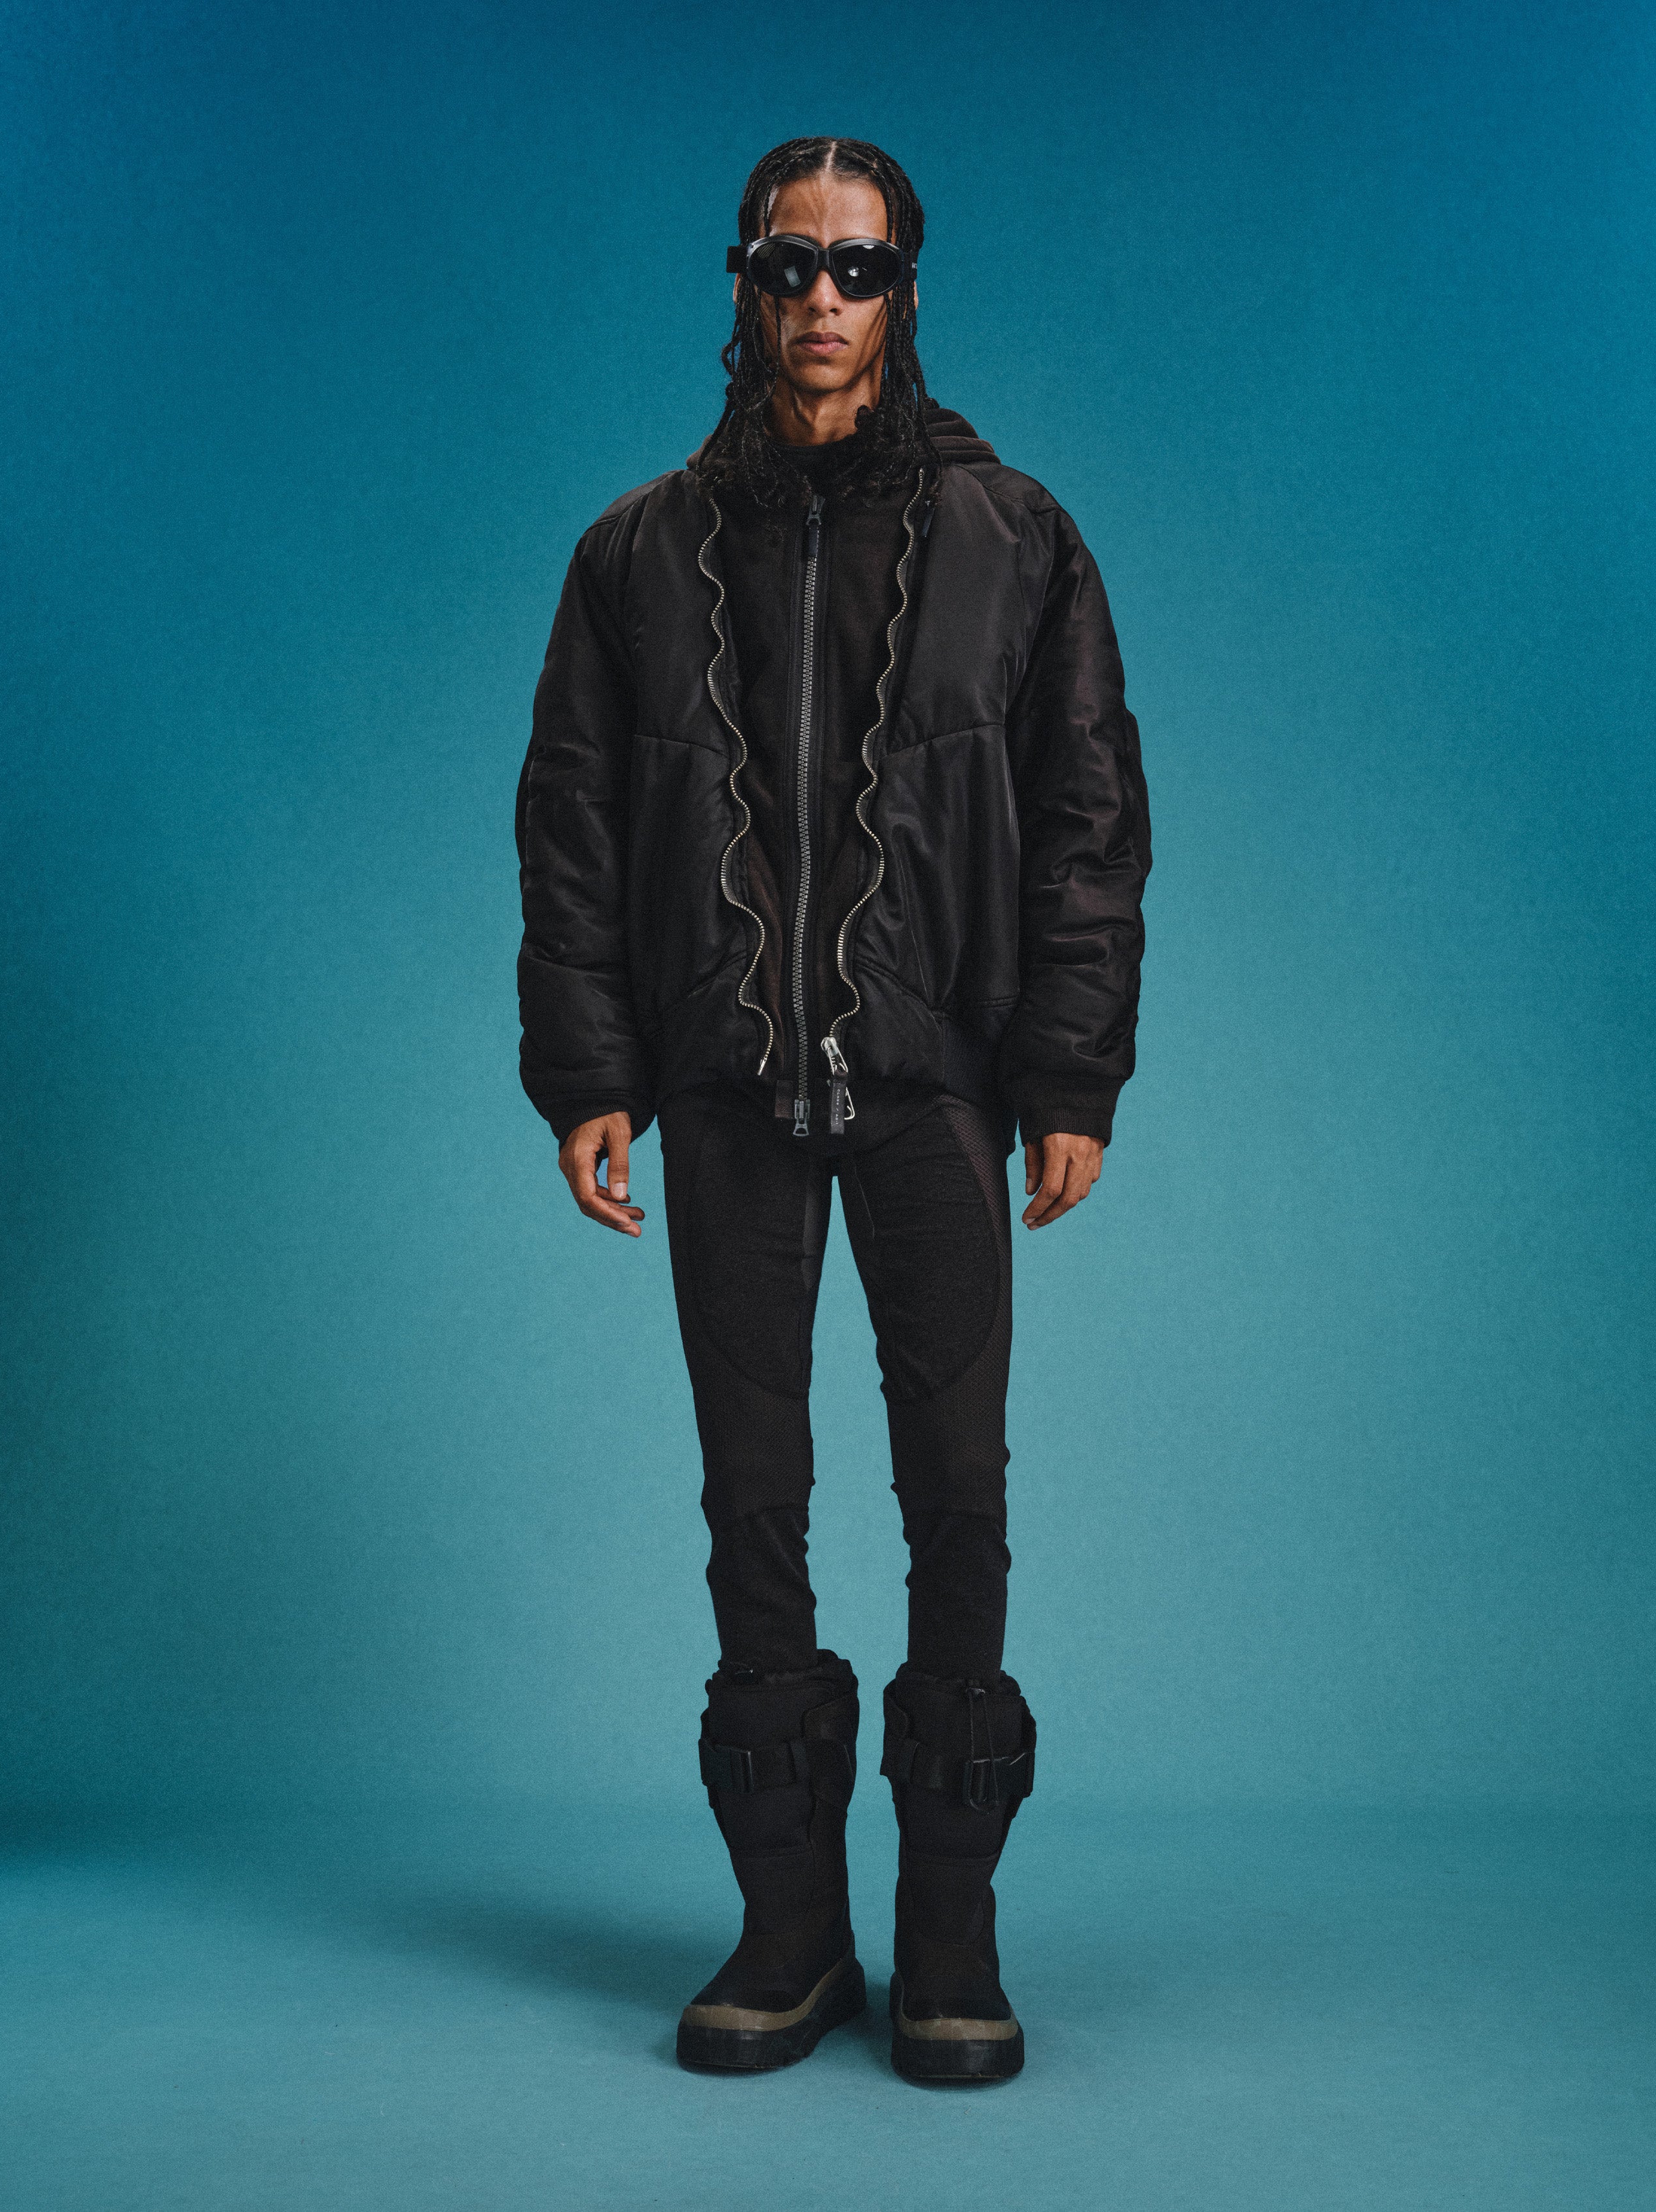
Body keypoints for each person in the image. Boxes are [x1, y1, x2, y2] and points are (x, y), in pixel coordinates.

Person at [515, 136, 1150, 2082]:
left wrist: (1069, 1071)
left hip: (935, 1084)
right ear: (742, 284)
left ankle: (950, 1934)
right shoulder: (634, 555)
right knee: (752, 1508)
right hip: (724, 1091)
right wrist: (592, 1072)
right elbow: (572, 822)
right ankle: (789, 1930)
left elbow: (1089, 819)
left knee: (960, 1494)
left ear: (907, 295)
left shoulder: (1018, 539)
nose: (820, 299)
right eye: (788, 264)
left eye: (856, 270)